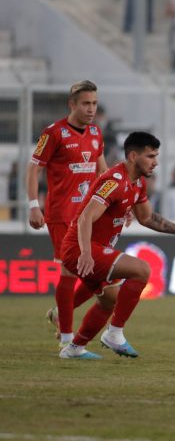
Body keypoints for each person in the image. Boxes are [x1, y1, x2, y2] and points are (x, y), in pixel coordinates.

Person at [59, 132, 175, 359]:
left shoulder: (138, 182)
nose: (156, 162)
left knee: (109, 300)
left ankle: (74, 348)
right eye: (150, 156)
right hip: (81, 248)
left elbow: (149, 218)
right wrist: (85, 253)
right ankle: (114, 333)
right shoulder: (114, 182)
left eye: (156, 156)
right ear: (133, 156)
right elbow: (85, 218)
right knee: (142, 270)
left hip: (93, 249)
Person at [27, 80, 112, 349]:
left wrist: (117, 201)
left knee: (99, 275)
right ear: (72, 104)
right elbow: (33, 169)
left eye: (94, 104)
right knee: (69, 272)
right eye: (86, 103)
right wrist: (33, 205)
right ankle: (67, 340)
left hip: (89, 216)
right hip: (62, 214)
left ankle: (58, 313)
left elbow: (103, 172)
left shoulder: (96, 133)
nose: (91, 109)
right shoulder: (54, 133)